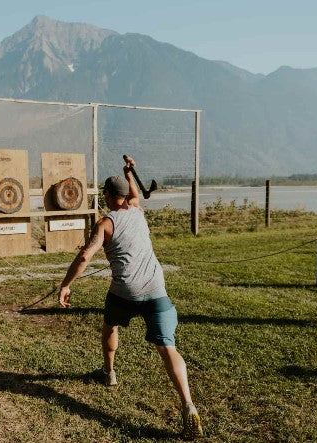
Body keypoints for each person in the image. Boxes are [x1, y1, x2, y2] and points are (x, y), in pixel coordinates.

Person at [58, 156, 203, 440]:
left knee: (110, 326)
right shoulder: (137, 210)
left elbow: (86, 255)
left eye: (105, 194)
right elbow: (135, 194)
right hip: (156, 288)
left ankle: (109, 373)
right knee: (167, 348)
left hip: (125, 291)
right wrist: (129, 172)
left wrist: (66, 284)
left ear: (110, 197)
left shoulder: (105, 224)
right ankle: (188, 404)